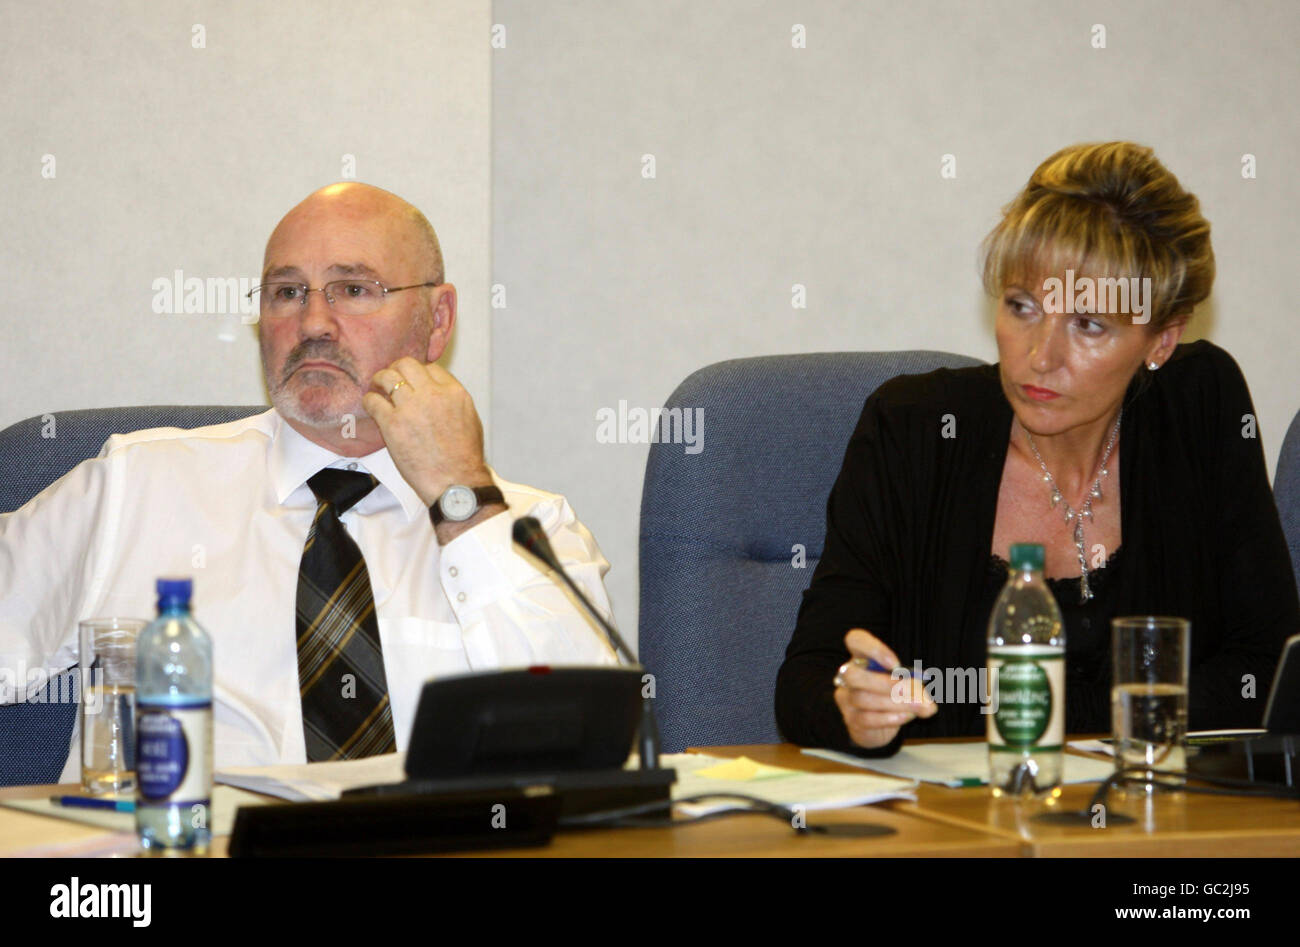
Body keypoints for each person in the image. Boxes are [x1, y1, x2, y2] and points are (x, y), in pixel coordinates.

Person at [0, 182, 618, 778]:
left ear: (437, 318)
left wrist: (462, 496)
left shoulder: (533, 530)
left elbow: (588, 749)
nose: (315, 322)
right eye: (288, 292)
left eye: (353, 288)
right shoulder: (135, 488)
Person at [775, 142, 1300, 756]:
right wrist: (852, 704)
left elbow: (1268, 670)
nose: (1039, 356)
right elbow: (807, 682)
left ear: (1162, 338)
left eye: (1088, 324)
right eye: (1022, 306)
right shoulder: (913, 429)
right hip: (957, 834)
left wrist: (1060, 728)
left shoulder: (1198, 407)